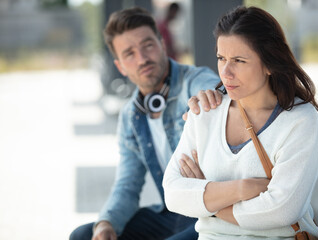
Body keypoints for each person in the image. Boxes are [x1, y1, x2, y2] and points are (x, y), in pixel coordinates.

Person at [163, 6, 318, 240]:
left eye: (239, 60)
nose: (226, 73)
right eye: (221, 58)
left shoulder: (299, 121)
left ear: (269, 64)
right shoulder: (206, 112)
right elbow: (173, 193)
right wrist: (241, 189)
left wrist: (207, 199)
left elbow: (281, 211)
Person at [69, 7, 220, 240]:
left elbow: (212, 87)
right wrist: (106, 223)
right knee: (83, 235)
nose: (142, 58)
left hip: (213, 211)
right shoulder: (130, 115)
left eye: (148, 45)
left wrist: (210, 97)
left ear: (161, 43)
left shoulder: (194, 81)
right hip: (173, 213)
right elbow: (128, 184)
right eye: (129, 53)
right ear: (120, 66)